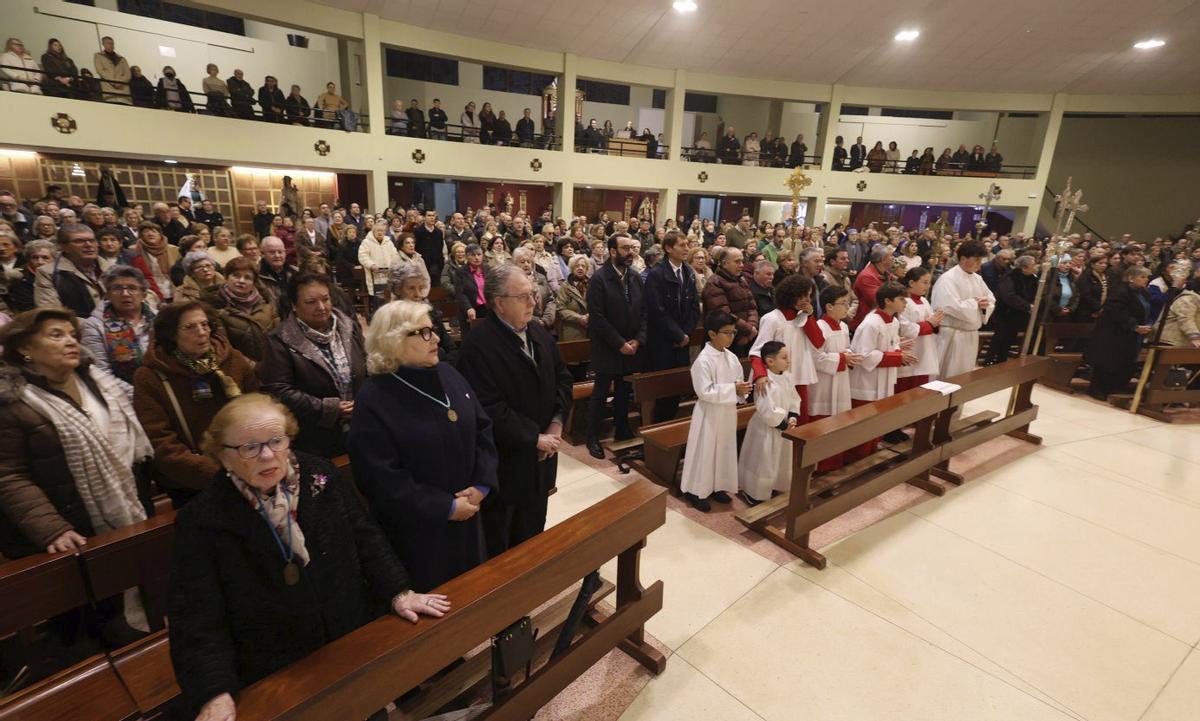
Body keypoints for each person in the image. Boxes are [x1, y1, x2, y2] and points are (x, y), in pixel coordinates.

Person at [168, 393, 448, 721]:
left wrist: (398, 591)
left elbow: (366, 537)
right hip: (279, 672)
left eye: (276, 440)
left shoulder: (321, 475)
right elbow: (196, 615)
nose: (268, 455)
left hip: (348, 644)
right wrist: (214, 691)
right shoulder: (202, 520)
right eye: (249, 447)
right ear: (222, 455)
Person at [348, 300, 499, 591]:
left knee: (474, 592)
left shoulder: (448, 374)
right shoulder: (374, 398)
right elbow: (378, 477)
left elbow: (483, 429)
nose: (438, 338)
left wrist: (482, 485)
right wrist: (445, 506)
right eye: (425, 332)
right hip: (419, 531)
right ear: (394, 340)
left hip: (469, 514)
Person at [0, 307, 153, 559]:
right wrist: (52, 530)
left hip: (129, 505)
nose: (71, 341)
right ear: (24, 348)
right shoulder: (12, 403)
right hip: (69, 529)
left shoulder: (98, 380)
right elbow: (9, 476)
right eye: (56, 335)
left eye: (72, 334)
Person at [456, 264, 571, 557]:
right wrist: (535, 438)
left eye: (533, 294)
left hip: (544, 457)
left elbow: (563, 378)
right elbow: (488, 407)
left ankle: (532, 582)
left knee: (534, 528)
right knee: (504, 541)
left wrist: (556, 423)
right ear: (499, 303)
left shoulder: (538, 332)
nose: (534, 302)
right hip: (507, 463)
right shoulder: (478, 346)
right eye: (524, 297)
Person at [133, 302, 259, 506]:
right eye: (190, 327)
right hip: (193, 483)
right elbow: (160, 442)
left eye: (205, 324)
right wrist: (216, 473)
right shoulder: (150, 376)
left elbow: (260, 406)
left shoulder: (232, 359)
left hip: (249, 465)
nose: (201, 332)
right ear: (172, 334)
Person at [259, 274, 365, 458]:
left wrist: (364, 401)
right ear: (294, 305)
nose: (321, 307)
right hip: (315, 435)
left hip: (360, 423)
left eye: (325, 299)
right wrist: (329, 408)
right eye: (311, 302)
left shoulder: (348, 326)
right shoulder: (279, 340)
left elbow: (367, 365)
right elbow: (279, 390)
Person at [679, 310, 751, 512]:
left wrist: (741, 389)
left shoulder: (731, 357)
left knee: (724, 449)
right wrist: (733, 389)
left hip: (727, 412)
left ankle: (717, 485)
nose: (731, 336)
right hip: (709, 414)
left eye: (733, 332)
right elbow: (704, 391)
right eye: (727, 332)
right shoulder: (703, 360)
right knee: (705, 450)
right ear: (711, 334)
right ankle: (695, 490)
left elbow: (737, 380)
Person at [585, 234, 645, 459]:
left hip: (631, 346)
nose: (630, 252)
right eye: (625, 248)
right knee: (600, 394)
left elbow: (644, 312)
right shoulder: (599, 279)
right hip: (608, 347)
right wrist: (619, 343)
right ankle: (592, 437)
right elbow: (597, 318)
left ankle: (622, 429)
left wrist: (638, 339)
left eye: (632, 248)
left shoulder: (635, 277)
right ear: (612, 251)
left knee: (624, 392)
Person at [846, 284, 918, 461]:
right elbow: (863, 355)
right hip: (867, 382)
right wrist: (896, 357)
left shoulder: (893, 321)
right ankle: (857, 460)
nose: (905, 303)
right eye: (901, 299)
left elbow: (889, 346)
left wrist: (899, 349)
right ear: (887, 301)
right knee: (864, 424)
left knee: (877, 422)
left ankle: (870, 454)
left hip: (884, 380)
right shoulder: (871, 324)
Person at [642, 230, 700, 422]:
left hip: (682, 341)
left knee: (676, 389)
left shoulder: (688, 272)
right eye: (682, 245)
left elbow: (694, 306)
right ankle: (656, 432)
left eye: (687, 245)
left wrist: (686, 333)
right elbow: (657, 310)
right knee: (662, 391)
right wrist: (677, 334)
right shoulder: (657, 274)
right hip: (662, 342)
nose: (687, 249)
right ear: (668, 248)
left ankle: (668, 428)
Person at [737, 341, 801, 505]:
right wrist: (783, 423)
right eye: (785, 358)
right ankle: (754, 493)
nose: (789, 361)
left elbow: (794, 398)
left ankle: (774, 485)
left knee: (779, 460)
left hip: (783, 426)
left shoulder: (786, 377)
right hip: (765, 429)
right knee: (763, 462)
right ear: (770, 361)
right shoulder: (764, 382)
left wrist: (793, 416)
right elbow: (766, 408)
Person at [749, 274, 819, 423]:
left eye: (808, 296)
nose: (806, 300)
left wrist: (810, 315)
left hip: (800, 376)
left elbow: (818, 342)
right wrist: (760, 375)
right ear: (790, 296)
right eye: (802, 296)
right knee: (780, 421)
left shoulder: (803, 317)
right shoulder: (772, 319)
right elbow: (757, 351)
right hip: (777, 380)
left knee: (801, 422)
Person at [808, 286, 859, 471]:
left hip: (841, 381)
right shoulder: (819, 327)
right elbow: (816, 358)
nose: (847, 307)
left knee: (840, 424)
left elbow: (846, 348)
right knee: (823, 426)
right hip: (824, 385)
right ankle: (820, 468)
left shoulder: (844, 326)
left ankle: (836, 463)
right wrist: (843, 358)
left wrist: (849, 355)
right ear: (829, 306)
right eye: (843, 303)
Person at [1085, 266, 1153, 400]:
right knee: (1108, 360)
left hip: (1132, 334)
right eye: (1142, 277)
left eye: (1147, 277)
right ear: (1131, 278)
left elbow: (1145, 310)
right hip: (1113, 333)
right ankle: (1098, 389)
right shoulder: (1119, 291)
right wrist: (1134, 325)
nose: (1146, 280)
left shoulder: (1143, 292)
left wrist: (1145, 325)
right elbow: (1117, 311)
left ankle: (1117, 388)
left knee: (1126, 361)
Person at [931, 240, 995, 379]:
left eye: (981, 260)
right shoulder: (948, 279)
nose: (979, 264)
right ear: (963, 259)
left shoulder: (978, 279)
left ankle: (958, 401)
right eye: (976, 260)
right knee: (947, 376)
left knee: (963, 376)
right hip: (952, 335)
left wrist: (985, 304)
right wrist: (975, 304)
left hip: (970, 335)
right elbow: (949, 306)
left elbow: (990, 299)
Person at [203, 256, 280, 363]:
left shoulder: (267, 303)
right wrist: (253, 367)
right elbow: (223, 347)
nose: (241, 281)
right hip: (241, 369)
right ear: (226, 277)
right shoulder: (215, 308)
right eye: (236, 275)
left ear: (254, 282)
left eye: (247, 278)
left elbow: (278, 336)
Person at [35, 224, 103, 318]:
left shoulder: (112, 269)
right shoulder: (48, 273)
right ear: (63, 247)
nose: (88, 245)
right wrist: (94, 326)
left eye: (92, 240)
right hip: (77, 329)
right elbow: (53, 314)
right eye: (79, 241)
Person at [702, 247, 758, 356]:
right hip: (725, 340)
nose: (741, 265)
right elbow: (723, 314)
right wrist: (749, 329)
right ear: (724, 263)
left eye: (742, 261)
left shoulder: (741, 280)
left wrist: (751, 329)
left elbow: (752, 307)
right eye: (737, 262)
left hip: (745, 337)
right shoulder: (714, 283)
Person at [896, 267, 943, 391]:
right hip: (910, 351)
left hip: (925, 351)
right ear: (911, 283)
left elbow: (931, 322)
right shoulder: (903, 301)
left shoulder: (924, 300)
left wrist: (937, 322)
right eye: (925, 282)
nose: (928, 286)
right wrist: (929, 324)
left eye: (929, 283)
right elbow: (903, 328)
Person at [986, 255, 1038, 365]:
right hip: (1005, 313)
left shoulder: (1033, 278)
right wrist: (1027, 306)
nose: (1036, 267)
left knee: (1009, 340)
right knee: (999, 338)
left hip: (1019, 315)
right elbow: (1009, 296)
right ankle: (989, 361)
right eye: (1033, 265)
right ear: (1024, 267)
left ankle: (1001, 362)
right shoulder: (1010, 277)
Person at [5, 239, 54, 312]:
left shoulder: (63, 274)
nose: (40, 262)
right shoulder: (19, 279)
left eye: (45, 258)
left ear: (54, 259)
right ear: (28, 259)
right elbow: (28, 308)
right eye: (35, 258)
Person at [93, 36, 131, 104]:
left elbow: (128, 74)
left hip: (123, 92)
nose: (111, 45)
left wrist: (120, 82)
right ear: (103, 44)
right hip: (109, 91)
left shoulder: (122, 59)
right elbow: (100, 71)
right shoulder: (98, 56)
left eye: (112, 43)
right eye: (109, 43)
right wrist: (113, 82)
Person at [413, 209, 445, 282]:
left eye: (433, 216)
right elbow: (416, 249)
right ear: (424, 217)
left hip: (436, 265)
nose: (432, 218)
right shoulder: (418, 231)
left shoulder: (438, 232)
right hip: (422, 264)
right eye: (429, 215)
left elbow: (440, 249)